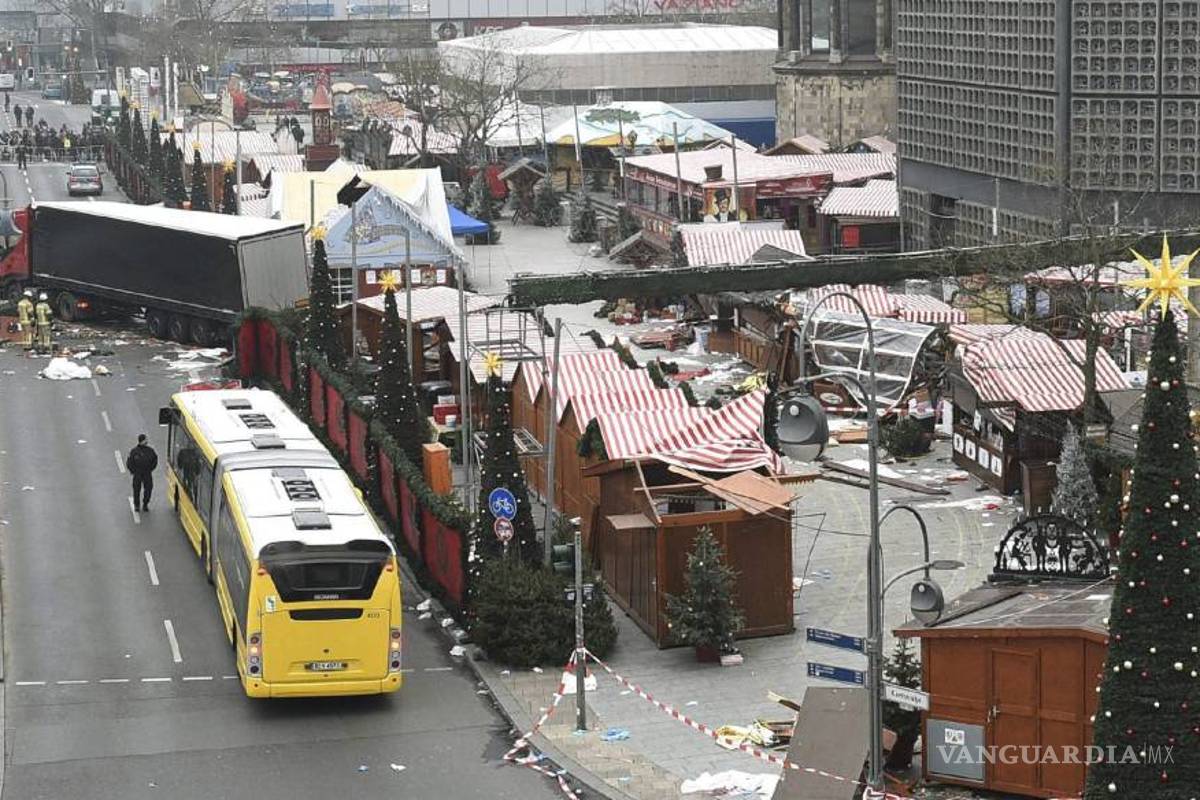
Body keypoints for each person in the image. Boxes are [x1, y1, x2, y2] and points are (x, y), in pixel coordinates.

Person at [126, 434, 158, 512]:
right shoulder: (134, 451)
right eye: (145, 439)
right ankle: (137, 505)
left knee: (148, 489)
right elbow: (129, 462)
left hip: (147, 473)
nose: (147, 441)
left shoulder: (150, 451)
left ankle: (145, 504)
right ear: (142, 441)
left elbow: (155, 460)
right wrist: (133, 471)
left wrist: (150, 469)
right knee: (136, 489)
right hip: (138, 473)